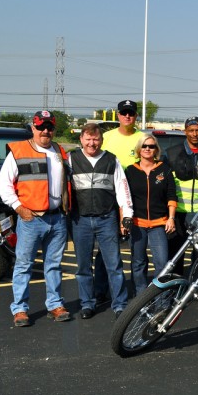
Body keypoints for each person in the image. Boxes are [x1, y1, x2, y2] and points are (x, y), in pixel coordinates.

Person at [0, 110, 72, 326]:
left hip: (57, 218)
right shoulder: (19, 151)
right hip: (31, 219)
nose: (45, 131)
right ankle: (20, 309)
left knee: (54, 265)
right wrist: (19, 207)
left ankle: (55, 304)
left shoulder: (59, 151)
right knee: (23, 265)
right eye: (41, 126)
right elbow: (3, 185)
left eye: (49, 127)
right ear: (33, 127)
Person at [69, 123, 133, 319]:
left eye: (96, 139)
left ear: (101, 141)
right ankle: (87, 304)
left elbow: (123, 189)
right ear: (81, 140)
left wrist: (127, 214)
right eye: (88, 139)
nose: (92, 143)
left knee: (113, 264)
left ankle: (119, 304)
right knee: (83, 266)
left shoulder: (111, 160)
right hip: (80, 220)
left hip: (107, 219)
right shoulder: (71, 159)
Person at [95, 99, 145, 302]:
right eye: (124, 113)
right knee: (107, 247)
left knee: (138, 246)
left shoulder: (143, 138)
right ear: (118, 115)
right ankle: (100, 290)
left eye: (131, 113)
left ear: (135, 116)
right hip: (110, 199)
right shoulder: (106, 137)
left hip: (137, 199)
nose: (127, 116)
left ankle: (139, 292)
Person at [125, 134, 177, 296]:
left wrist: (171, 218)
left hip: (158, 224)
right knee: (138, 263)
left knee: (162, 263)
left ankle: (160, 298)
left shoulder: (165, 170)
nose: (148, 149)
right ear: (139, 149)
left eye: (152, 146)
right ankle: (141, 296)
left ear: (156, 150)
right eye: (145, 146)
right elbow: (125, 197)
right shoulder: (131, 170)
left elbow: (171, 195)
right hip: (137, 224)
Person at [165, 117, 198, 275]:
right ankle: (176, 292)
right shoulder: (171, 153)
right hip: (179, 213)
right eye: (191, 130)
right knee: (175, 255)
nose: (195, 134)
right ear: (185, 131)